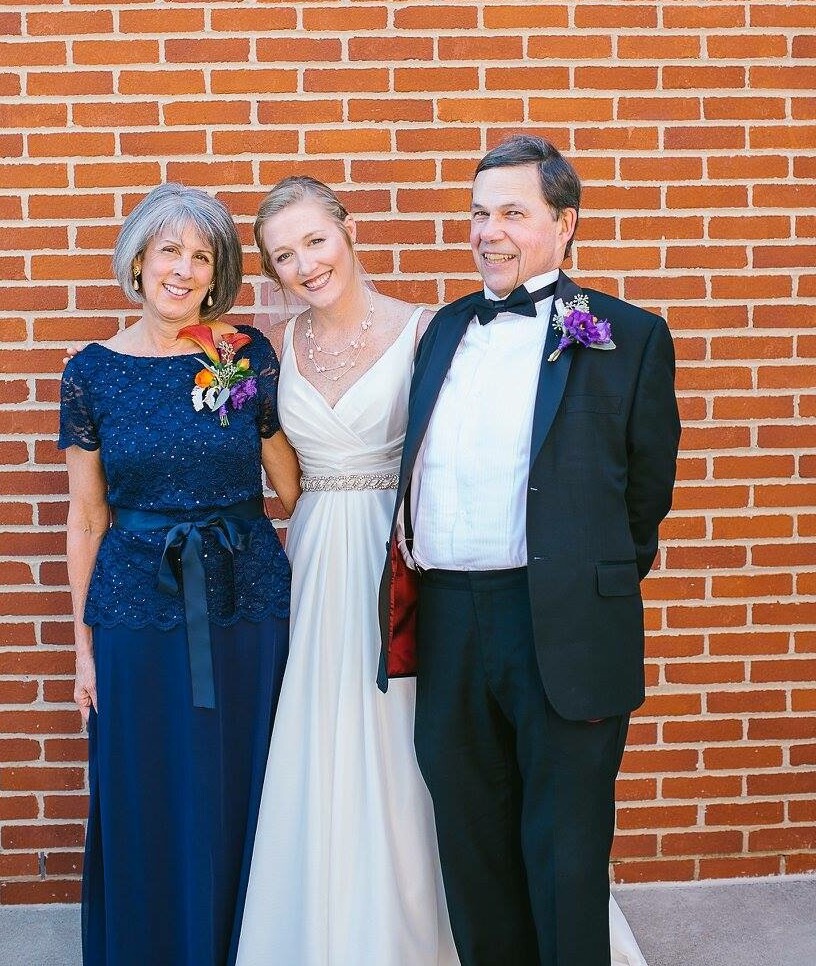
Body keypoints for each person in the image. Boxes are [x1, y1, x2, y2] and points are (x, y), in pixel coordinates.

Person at [379, 135, 680, 965]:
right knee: (470, 850)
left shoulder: (628, 336)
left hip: (563, 623)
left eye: (513, 212)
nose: (489, 232)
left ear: (564, 223)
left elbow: (645, 495)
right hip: (450, 621)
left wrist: (582, 581)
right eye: (479, 214)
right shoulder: (441, 330)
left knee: (565, 856)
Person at [59, 183, 300, 966]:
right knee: (147, 783)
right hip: (136, 608)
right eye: (170, 250)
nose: (184, 270)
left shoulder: (243, 354)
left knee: (243, 779)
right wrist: (83, 651)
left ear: (217, 273)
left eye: (203, 256)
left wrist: (258, 402)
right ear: (138, 260)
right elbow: (87, 518)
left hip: (247, 599)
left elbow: (290, 487)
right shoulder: (90, 373)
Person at [235, 176, 459, 965]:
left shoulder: (424, 329)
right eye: (284, 256)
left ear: (347, 228)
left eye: (315, 240)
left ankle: (406, 931)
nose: (305, 265)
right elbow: (277, 473)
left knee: (403, 739)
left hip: (400, 558)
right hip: (316, 556)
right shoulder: (268, 352)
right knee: (317, 731)